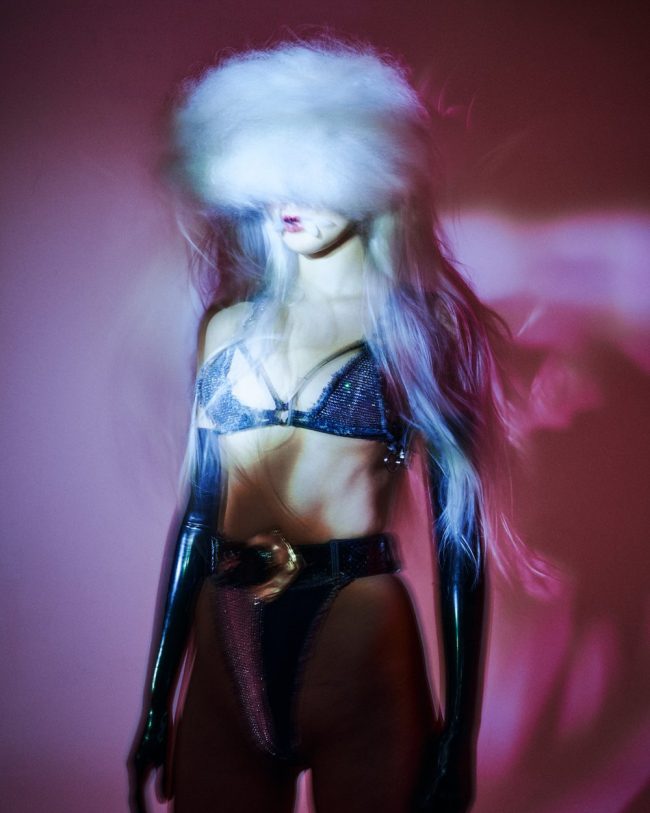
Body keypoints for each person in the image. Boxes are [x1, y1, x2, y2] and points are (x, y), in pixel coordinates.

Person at [129, 38, 512, 813]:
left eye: (313, 174)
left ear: (367, 176)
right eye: (273, 178)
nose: (290, 200)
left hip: (356, 637)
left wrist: (459, 735)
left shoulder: (421, 331)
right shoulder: (225, 329)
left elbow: (459, 543)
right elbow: (198, 518)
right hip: (225, 636)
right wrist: (155, 701)